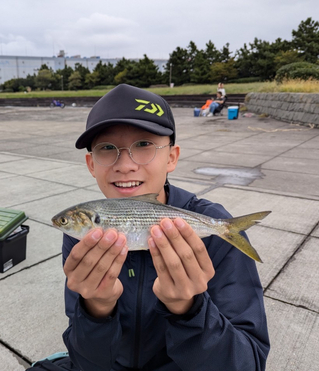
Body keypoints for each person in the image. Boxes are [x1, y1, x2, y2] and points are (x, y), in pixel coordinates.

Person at [29, 84, 269, 371]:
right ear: (91, 164)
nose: (125, 165)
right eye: (107, 148)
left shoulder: (217, 230)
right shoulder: (85, 236)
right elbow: (87, 363)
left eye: (143, 145)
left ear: (171, 157)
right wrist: (96, 309)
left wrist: (188, 310)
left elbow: (248, 364)